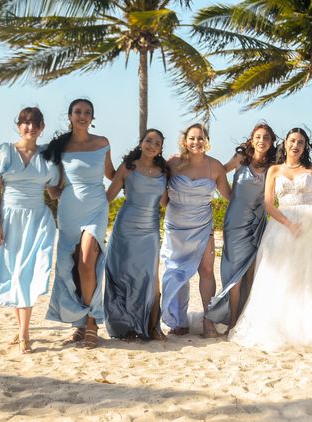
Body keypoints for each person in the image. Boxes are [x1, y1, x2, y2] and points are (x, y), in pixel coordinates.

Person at [229, 128, 312, 351]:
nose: (296, 145)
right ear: (285, 144)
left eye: (300, 142)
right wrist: (289, 225)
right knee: (282, 277)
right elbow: (269, 204)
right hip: (281, 226)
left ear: (305, 146)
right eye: (292, 141)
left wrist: (311, 219)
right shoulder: (274, 170)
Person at [0, 107, 58, 353]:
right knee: (16, 274)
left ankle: (24, 334)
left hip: (38, 221)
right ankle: (22, 330)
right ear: (19, 125)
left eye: (36, 123)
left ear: (42, 127)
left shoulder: (47, 156)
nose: (31, 127)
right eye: (26, 123)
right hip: (10, 220)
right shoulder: (4, 152)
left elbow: (53, 190)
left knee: (29, 274)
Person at [44, 98, 115, 349]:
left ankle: (92, 323)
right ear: (70, 115)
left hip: (96, 207)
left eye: (87, 112)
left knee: (87, 261)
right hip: (69, 210)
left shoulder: (102, 143)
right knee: (70, 266)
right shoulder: (60, 146)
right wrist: (55, 193)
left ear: (92, 117)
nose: (82, 116)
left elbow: (113, 175)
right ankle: (78, 324)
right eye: (78, 112)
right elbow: (49, 177)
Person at [161, 123, 231, 338]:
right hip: (176, 227)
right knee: (176, 272)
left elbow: (230, 196)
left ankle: (208, 321)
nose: (196, 142)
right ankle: (178, 321)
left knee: (207, 271)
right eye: (192, 138)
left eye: (200, 138)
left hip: (203, 226)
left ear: (206, 141)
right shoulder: (172, 163)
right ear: (185, 141)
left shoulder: (216, 166)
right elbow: (159, 191)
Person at [206, 123, 277, 331]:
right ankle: (233, 322)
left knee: (251, 272)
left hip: (257, 222)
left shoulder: (274, 166)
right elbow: (218, 172)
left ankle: (248, 319)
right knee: (235, 273)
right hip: (235, 222)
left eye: (266, 137)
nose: (262, 141)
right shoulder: (240, 159)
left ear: (271, 142)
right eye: (258, 137)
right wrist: (229, 195)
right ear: (252, 139)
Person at [104, 129, 169, 341]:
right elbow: (108, 197)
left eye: (157, 143)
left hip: (149, 230)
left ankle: (152, 326)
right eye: (148, 141)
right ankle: (126, 326)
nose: (152, 145)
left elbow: (166, 203)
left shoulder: (164, 172)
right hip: (125, 228)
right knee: (123, 274)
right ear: (141, 143)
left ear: (161, 149)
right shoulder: (127, 168)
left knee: (149, 277)